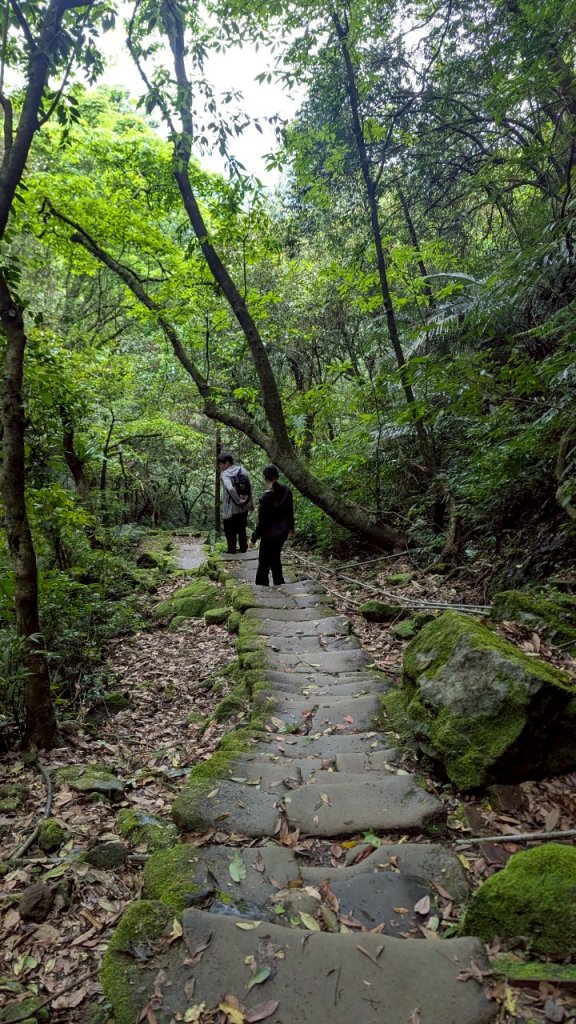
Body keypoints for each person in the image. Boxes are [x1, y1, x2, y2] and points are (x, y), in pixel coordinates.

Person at [251, 465, 294, 587]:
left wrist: (254, 537)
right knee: (275, 556)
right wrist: (291, 528)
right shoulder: (286, 491)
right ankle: (279, 582)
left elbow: (262, 522)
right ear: (277, 476)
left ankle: (262, 584)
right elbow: (290, 511)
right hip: (283, 532)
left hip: (269, 534)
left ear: (265, 478)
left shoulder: (266, 498)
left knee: (264, 559)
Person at [217, 452, 253, 554]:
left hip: (230, 509)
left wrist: (238, 501)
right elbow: (249, 488)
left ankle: (231, 551)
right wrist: (249, 504)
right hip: (244, 508)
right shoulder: (243, 470)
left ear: (227, 463)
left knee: (230, 531)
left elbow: (230, 488)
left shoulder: (225, 474)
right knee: (242, 529)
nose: (220, 466)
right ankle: (243, 550)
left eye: (221, 464)